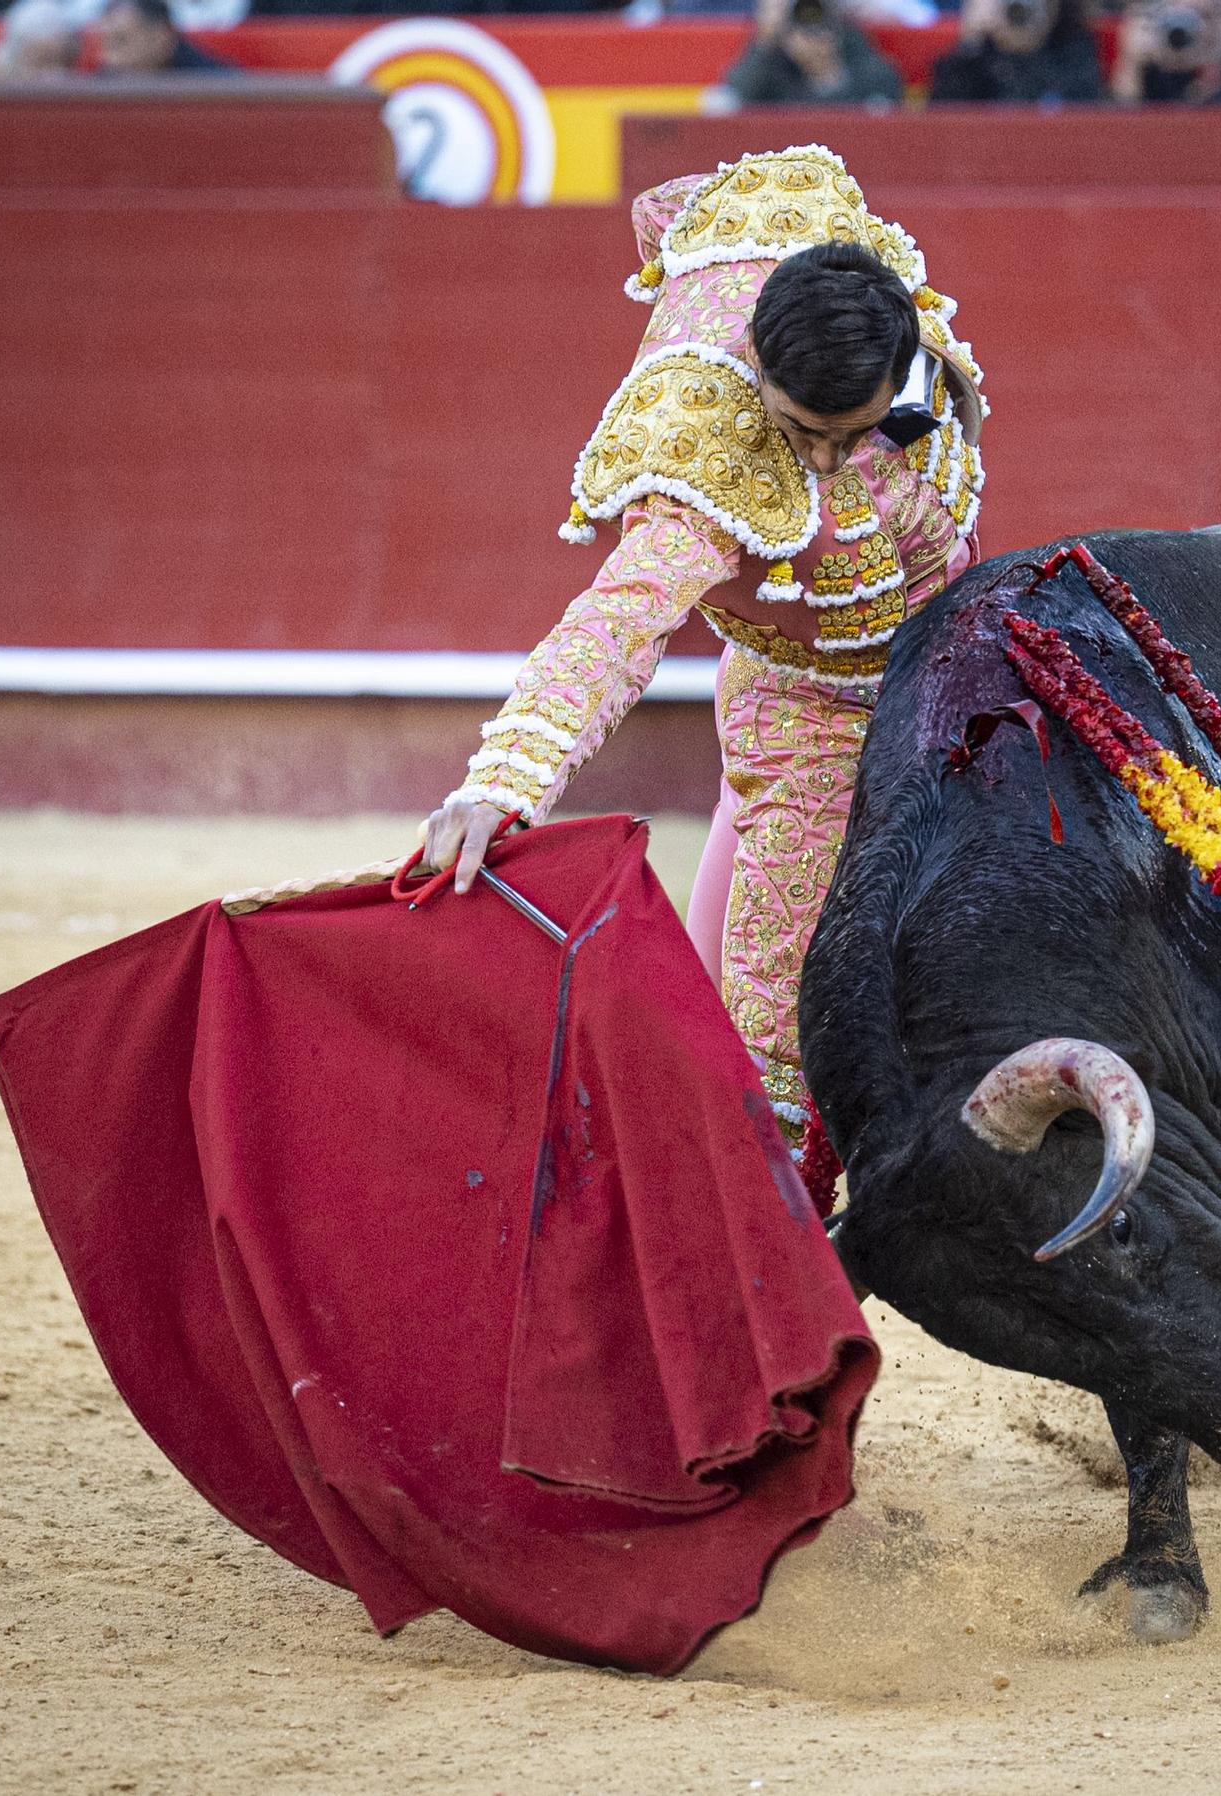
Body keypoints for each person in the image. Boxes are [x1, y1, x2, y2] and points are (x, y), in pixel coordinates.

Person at [422, 146, 985, 1148]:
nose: (818, 458)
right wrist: (504, 780)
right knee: (766, 1023)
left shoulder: (828, 253)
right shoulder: (700, 456)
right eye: (799, 428)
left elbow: (684, 206)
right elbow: (617, 619)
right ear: (756, 370)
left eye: (845, 432)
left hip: (951, 653)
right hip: (807, 705)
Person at [720, 0, 906, 107]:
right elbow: (735, 95)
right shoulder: (773, 59)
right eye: (803, 25)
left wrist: (829, 72)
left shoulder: (854, 44)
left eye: (819, 25)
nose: (812, 33)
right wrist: (765, 40)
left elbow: (887, 88)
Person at [926, 0, 1104, 105]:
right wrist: (971, 44)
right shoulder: (968, 63)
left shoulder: (1076, 51)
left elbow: (1083, 117)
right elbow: (945, 132)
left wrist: (1027, 50)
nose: (1020, 6)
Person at [96, 0, 240, 75]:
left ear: (161, 37)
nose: (109, 58)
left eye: (121, 41)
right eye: (105, 44)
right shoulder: (99, 83)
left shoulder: (216, 88)